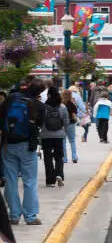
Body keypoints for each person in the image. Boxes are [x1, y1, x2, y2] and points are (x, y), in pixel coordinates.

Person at [1, 76, 45, 225]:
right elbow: (40, 125)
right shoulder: (38, 105)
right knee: (30, 181)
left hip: (8, 145)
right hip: (27, 146)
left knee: (11, 181)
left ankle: (14, 215)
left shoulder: (12, 98)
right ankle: (30, 216)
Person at [41, 87, 69, 188]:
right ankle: (59, 174)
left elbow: (40, 121)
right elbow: (66, 121)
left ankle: (50, 180)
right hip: (59, 135)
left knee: (47, 158)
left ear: (48, 95)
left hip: (46, 135)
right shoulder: (62, 107)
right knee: (59, 156)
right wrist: (64, 131)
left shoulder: (44, 107)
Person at [61, 90, 78, 164]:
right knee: (72, 140)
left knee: (63, 141)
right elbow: (73, 115)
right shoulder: (72, 104)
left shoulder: (60, 104)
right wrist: (76, 120)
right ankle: (74, 157)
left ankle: (64, 158)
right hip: (71, 123)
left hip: (62, 124)